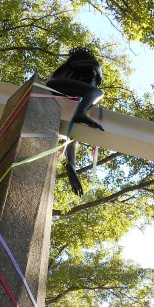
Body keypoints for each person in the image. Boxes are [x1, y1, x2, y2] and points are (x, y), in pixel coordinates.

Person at [46, 48, 105, 197]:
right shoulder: (73, 64)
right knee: (97, 93)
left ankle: (71, 164)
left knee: (72, 133)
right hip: (54, 86)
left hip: (59, 94)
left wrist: (72, 165)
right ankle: (81, 112)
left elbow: (71, 134)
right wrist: (97, 69)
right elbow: (95, 65)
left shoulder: (75, 73)